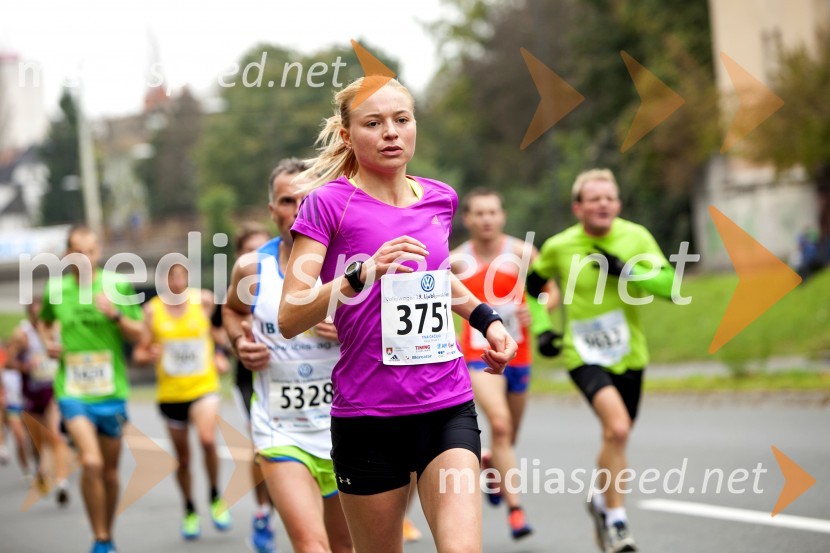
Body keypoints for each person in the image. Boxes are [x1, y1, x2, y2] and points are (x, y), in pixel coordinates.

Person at [278, 76, 517, 553]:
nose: (390, 132)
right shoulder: (327, 205)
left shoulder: (440, 199)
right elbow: (290, 315)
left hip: (445, 405)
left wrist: (488, 319)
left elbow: (435, 277)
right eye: (374, 123)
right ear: (347, 135)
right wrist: (359, 276)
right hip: (368, 415)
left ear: (414, 126)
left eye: (401, 120)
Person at [526, 169, 676, 553]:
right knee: (619, 428)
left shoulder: (636, 236)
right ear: (578, 207)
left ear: (618, 204)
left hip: (630, 353)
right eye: (594, 199)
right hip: (583, 354)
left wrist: (627, 269)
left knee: (616, 435)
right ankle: (618, 521)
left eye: (609, 197)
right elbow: (532, 287)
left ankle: (599, 499)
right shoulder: (560, 246)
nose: (603, 204)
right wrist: (542, 327)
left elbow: (671, 287)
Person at [224, 157, 353, 553]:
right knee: (312, 545)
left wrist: (346, 329)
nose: (297, 209)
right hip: (280, 431)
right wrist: (239, 343)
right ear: (271, 210)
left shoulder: (350, 264)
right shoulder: (252, 270)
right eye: (286, 200)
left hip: (347, 430)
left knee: (345, 547)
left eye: (307, 199)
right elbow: (231, 312)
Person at [451, 187, 558, 539]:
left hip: (520, 356)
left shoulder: (524, 253)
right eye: (479, 213)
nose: (486, 219)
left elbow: (550, 291)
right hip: (479, 357)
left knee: (508, 435)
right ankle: (516, 510)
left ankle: (494, 470)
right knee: (498, 425)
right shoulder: (455, 261)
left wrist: (539, 307)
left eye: (492, 212)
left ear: (502, 215)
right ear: (467, 219)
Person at [39, 225, 145, 553]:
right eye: (78, 251)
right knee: (92, 462)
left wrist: (115, 315)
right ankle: (99, 538)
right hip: (72, 393)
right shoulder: (56, 290)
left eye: (90, 251)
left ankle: (107, 533)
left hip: (111, 393)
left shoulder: (116, 285)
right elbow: (42, 321)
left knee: (111, 474)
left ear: (98, 252)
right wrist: (47, 343)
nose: (85, 258)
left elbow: (139, 333)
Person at [132, 263, 232, 540]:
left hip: (203, 387)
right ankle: (189, 508)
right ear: (162, 280)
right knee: (184, 459)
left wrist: (221, 354)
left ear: (187, 277)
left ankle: (214, 496)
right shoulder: (152, 311)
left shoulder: (204, 300)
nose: (176, 282)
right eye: (170, 277)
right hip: (171, 394)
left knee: (208, 439)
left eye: (180, 276)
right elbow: (139, 352)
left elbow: (217, 335)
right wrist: (147, 354)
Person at [223, 221, 275, 553]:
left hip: (296, 380)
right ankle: (263, 513)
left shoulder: (287, 278)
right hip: (249, 379)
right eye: (247, 250)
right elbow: (221, 327)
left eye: (261, 248)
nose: (255, 256)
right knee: (260, 448)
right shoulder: (236, 287)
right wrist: (237, 342)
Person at [7, 297, 71, 504]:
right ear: (30, 314)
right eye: (36, 314)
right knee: (37, 442)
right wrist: (25, 366)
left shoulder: (58, 328)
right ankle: (40, 468)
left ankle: (61, 482)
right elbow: (6, 361)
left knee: (55, 435)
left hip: (53, 390)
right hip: (31, 394)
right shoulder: (22, 335)